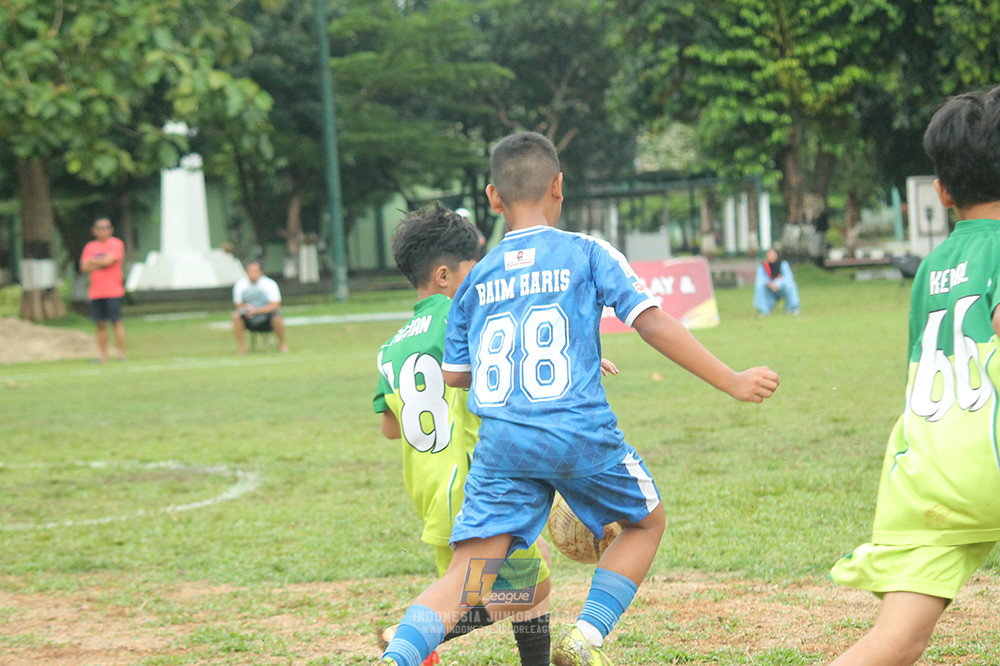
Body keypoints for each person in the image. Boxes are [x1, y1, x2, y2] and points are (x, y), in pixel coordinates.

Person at [375, 132, 780, 666]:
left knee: (466, 581)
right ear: (558, 187)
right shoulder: (586, 253)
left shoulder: (476, 281)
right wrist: (730, 379)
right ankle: (584, 639)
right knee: (644, 523)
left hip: (503, 453)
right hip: (576, 436)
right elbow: (650, 323)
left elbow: (457, 378)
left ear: (494, 198)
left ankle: (394, 659)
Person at [828, 85, 1000, 666]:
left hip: (928, 472)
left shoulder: (934, 265)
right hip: (992, 460)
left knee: (897, 640)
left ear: (943, 191)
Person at [373, 203, 560, 666]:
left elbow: (390, 427)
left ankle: (422, 638)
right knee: (530, 585)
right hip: (475, 490)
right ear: (443, 275)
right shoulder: (463, 319)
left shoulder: (391, 346)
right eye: (472, 269)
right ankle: (410, 635)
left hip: (434, 494)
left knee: (527, 572)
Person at [80, 217, 126, 362]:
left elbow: (109, 261)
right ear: (94, 231)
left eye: (106, 227)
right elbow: (83, 266)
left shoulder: (116, 244)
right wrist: (102, 263)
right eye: (100, 228)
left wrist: (93, 262)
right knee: (100, 324)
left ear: (111, 230)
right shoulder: (90, 247)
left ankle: (121, 354)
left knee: (115, 322)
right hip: (96, 292)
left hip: (113, 291)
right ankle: (103, 356)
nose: (103, 231)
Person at [231, 261, 288, 353]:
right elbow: (238, 304)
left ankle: (282, 344)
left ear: (261, 272)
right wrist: (247, 309)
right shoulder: (240, 285)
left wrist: (257, 311)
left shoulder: (270, 284)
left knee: (277, 316)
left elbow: (275, 304)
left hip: (266, 317)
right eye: (250, 271)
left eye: (255, 271)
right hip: (248, 318)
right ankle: (241, 347)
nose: (253, 274)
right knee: (236, 316)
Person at [753, 247, 800, 316]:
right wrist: (769, 284)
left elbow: (788, 277)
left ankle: (793, 309)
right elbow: (760, 279)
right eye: (769, 255)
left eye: (773, 254)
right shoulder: (763, 266)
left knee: (791, 285)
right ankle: (763, 311)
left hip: (782, 288)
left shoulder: (783, 264)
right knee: (759, 287)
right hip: (769, 289)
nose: (771, 257)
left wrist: (777, 284)